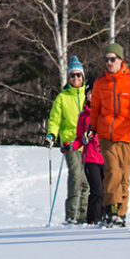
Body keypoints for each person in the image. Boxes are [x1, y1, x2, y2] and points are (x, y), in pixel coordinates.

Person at [90, 43, 130, 227]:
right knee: (113, 171)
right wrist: (92, 129)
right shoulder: (100, 83)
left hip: (126, 135)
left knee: (124, 176)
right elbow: (95, 109)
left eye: (112, 59)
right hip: (106, 135)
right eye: (106, 59)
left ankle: (121, 214)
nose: (109, 63)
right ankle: (111, 209)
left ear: (120, 60)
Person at [45, 56, 89, 223]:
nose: (76, 78)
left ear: (83, 77)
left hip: (88, 144)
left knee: (87, 182)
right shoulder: (62, 97)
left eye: (78, 75)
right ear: (69, 78)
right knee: (76, 175)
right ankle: (72, 215)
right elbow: (55, 120)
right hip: (70, 143)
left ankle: (83, 216)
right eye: (72, 75)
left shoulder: (89, 95)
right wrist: (51, 135)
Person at [67, 78, 104, 225]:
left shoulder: (105, 113)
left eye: (94, 93)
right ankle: (93, 220)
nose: (91, 96)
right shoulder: (83, 116)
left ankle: (104, 217)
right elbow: (79, 139)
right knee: (97, 190)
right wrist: (71, 146)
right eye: (89, 93)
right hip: (90, 158)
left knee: (107, 190)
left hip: (105, 156)